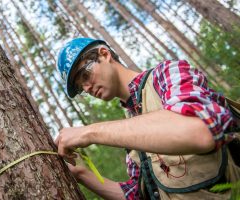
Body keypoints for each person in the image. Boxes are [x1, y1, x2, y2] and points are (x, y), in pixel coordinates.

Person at [55, 38, 239, 200]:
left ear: (104, 54)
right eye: (81, 88)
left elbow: (199, 131)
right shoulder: (129, 125)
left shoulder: (166, 74)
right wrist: (81, 173)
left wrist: (88, 132)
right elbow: (140, 194)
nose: (86, 88)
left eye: (85, 75)